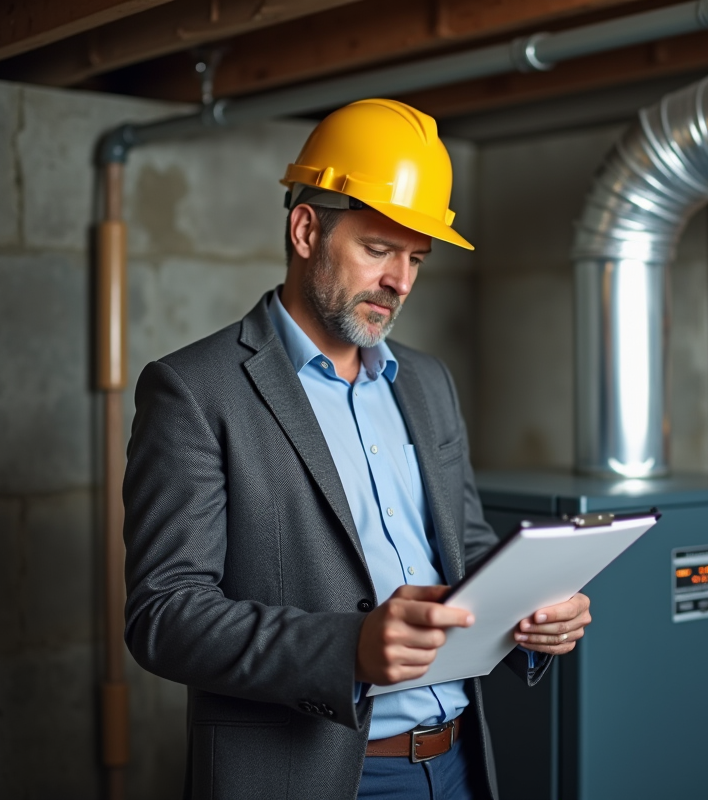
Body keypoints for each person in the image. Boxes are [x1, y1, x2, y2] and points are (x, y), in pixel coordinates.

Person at [122, 98, 592, 800]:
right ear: (307, 228)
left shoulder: (428, 382)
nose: (399, 281)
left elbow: (464, 547)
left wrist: (530, 611)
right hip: (310, 776)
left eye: (415, 258)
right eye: (378, 249)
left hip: (460, 762)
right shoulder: (194, 390)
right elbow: (163, 614)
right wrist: (348, 648)